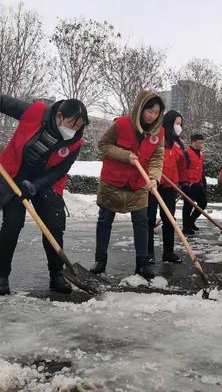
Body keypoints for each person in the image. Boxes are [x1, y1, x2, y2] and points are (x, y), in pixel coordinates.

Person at [0, 95, 88, 295]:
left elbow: (58, 171)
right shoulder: (35, 112)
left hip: (45, 181)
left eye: (78, 126)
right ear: (58, 116)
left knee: (54, 225)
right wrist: (22, 183)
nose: (73, 130)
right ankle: (2, 275)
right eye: (70, 124)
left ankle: (56, 274)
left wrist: (35, 186)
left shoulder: (75, 143)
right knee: (12, 224)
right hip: (15, 173)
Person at [90, 91, 164, 278]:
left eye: (156, 112)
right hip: (112, 182)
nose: (152, 116)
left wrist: (154, 177)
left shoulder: (158, 132)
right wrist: (125, 155)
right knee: (105, 221)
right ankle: (100, 260)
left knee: (142, 222)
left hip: (138, 183)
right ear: (140, 109)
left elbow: (157, 157)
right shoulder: (121, 124)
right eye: (149, 111)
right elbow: (103, 144)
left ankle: (142, 263)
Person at [147, 110, 188, 263]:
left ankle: (168, 253)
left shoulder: (177, 143)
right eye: (177, 123)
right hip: (153, 185)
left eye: (181, 124)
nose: (179, 126)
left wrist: (184, 182)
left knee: (169, 219)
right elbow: (148, 158)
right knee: (149, 219)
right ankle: (148, 254)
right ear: (169, 122)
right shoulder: (157, 137)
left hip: (170, 187)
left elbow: (181, 165)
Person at [182, 133, 208, 235]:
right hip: (189, 184)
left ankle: (191, 221)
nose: (202, 144)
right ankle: (186, 227)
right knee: (188, 205)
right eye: (199, 142)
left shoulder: (200, 154)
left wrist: (204, 182)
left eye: (202, 142)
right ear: (193, 142)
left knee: (202, 203)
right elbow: (182, 169)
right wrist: (185, 183)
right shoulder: (186, 153)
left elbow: (201, 170)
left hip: (197, 183)